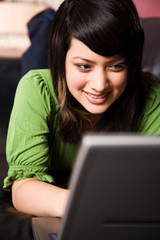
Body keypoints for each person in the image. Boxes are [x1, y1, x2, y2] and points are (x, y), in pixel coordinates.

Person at [3, 0, 160, 217]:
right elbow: (22, 189)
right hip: (55, 85)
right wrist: (88, 207)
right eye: (84, 66)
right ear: (63, 59)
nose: (99, 84)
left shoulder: (152, 96)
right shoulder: (36, 88)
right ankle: (45, 22)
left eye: (116, 66)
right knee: (36, 65)